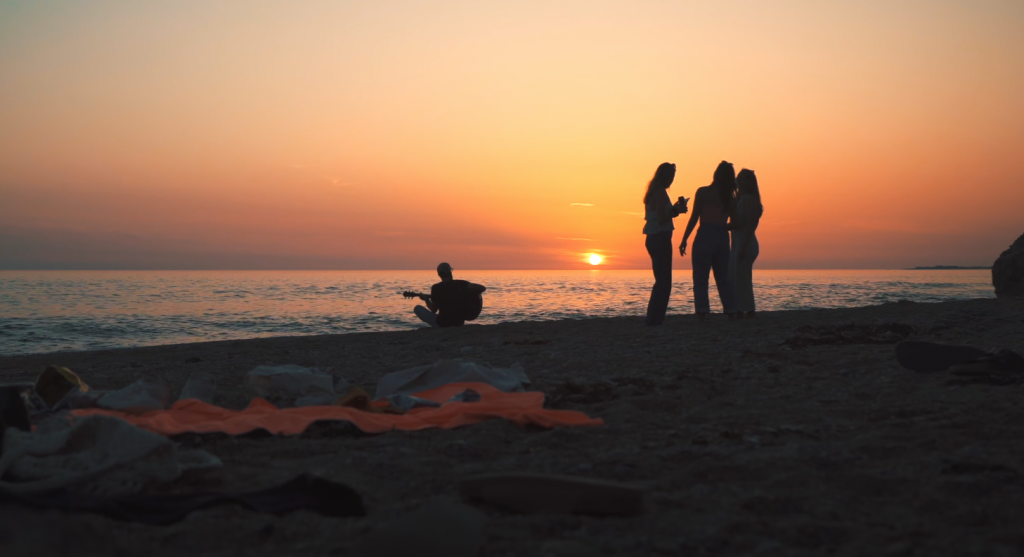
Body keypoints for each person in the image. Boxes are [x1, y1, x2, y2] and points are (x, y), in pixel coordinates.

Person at [679, 161, 738, 321]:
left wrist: (684, 238)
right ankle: (731, 310)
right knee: (723, 277)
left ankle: (702, 312)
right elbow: (736, 222)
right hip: (721, 236)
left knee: (700, 277)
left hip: (704, 235)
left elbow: (694, 217)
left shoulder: (703, 192)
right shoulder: (730, 198)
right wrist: (722, 226)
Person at [642, 162, 688, 326]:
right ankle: (655, 318)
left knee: (660, 279)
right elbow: (662, 219)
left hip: (653, 237)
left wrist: (674, 209)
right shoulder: (660, 193)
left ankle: (653, 317)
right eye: (671, 176)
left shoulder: (653, 192)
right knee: (664, 281)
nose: (672, 180)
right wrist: (678, 211)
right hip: (660, 237)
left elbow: (659, 215)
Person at [728, 169, 763, 318]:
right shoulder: (741, 199)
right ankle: (740, 308)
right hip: (738, 241)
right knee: (736, 276)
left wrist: (743, 246)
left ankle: (747, 309)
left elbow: (750, 225)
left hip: (745, 241)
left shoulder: (749, 200)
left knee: (742, 277)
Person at [413, 262, 486, 328]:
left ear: (439, 275)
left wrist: (426, 299)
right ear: (450, 272)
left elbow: (433, 309)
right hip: (459, 323)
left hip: (442, 323)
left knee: (417, 308)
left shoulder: (436, 288)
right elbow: (482, 288)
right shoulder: (461, 284)